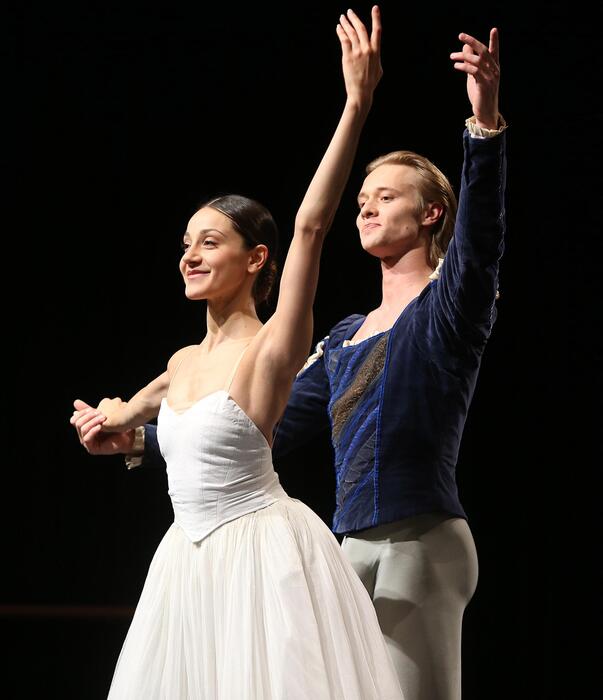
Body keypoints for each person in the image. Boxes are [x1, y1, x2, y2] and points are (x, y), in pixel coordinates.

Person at [73, 21, 507, 700]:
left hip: (417, 538)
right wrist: (140, 439)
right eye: (360, 201)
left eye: (384, 197)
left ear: (431, 214)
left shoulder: (448, 305)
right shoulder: (344, 335)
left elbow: (478, 241)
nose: (365, 209)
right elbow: (253, 421)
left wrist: (482, 127)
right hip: (347, 543)